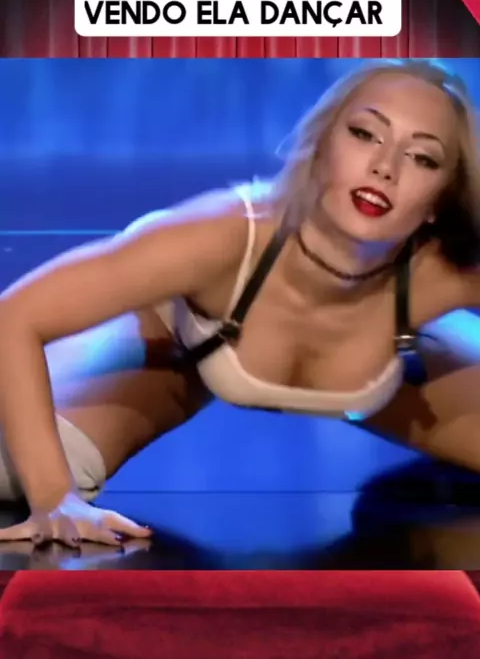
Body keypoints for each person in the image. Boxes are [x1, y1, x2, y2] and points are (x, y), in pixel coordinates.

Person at [0, 57, 480, 549]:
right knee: (17, 469)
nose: (385, 167)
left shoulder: (440, 276)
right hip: (177, 341)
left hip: (401, 354)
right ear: (319, 145)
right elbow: (16, 316)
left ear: (440, 202)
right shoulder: (222, 237)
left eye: (423, 158)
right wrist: (54, 499)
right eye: (365, 134)